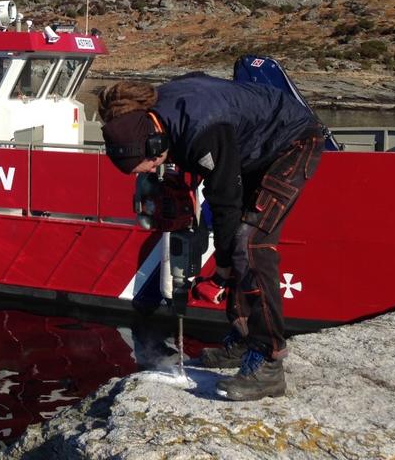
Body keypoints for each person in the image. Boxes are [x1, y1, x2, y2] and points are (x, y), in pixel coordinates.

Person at [98, 73, 325, 401]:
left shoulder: (204, 130)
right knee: (237, 245)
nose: (149, 174)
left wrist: (221, 269)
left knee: (249, 244)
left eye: (146, 168)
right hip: (250, 147)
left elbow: (225, 204)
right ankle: (244, 338)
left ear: (155, 145)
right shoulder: (153, 118)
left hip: (290, 142)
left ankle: (268, 363)